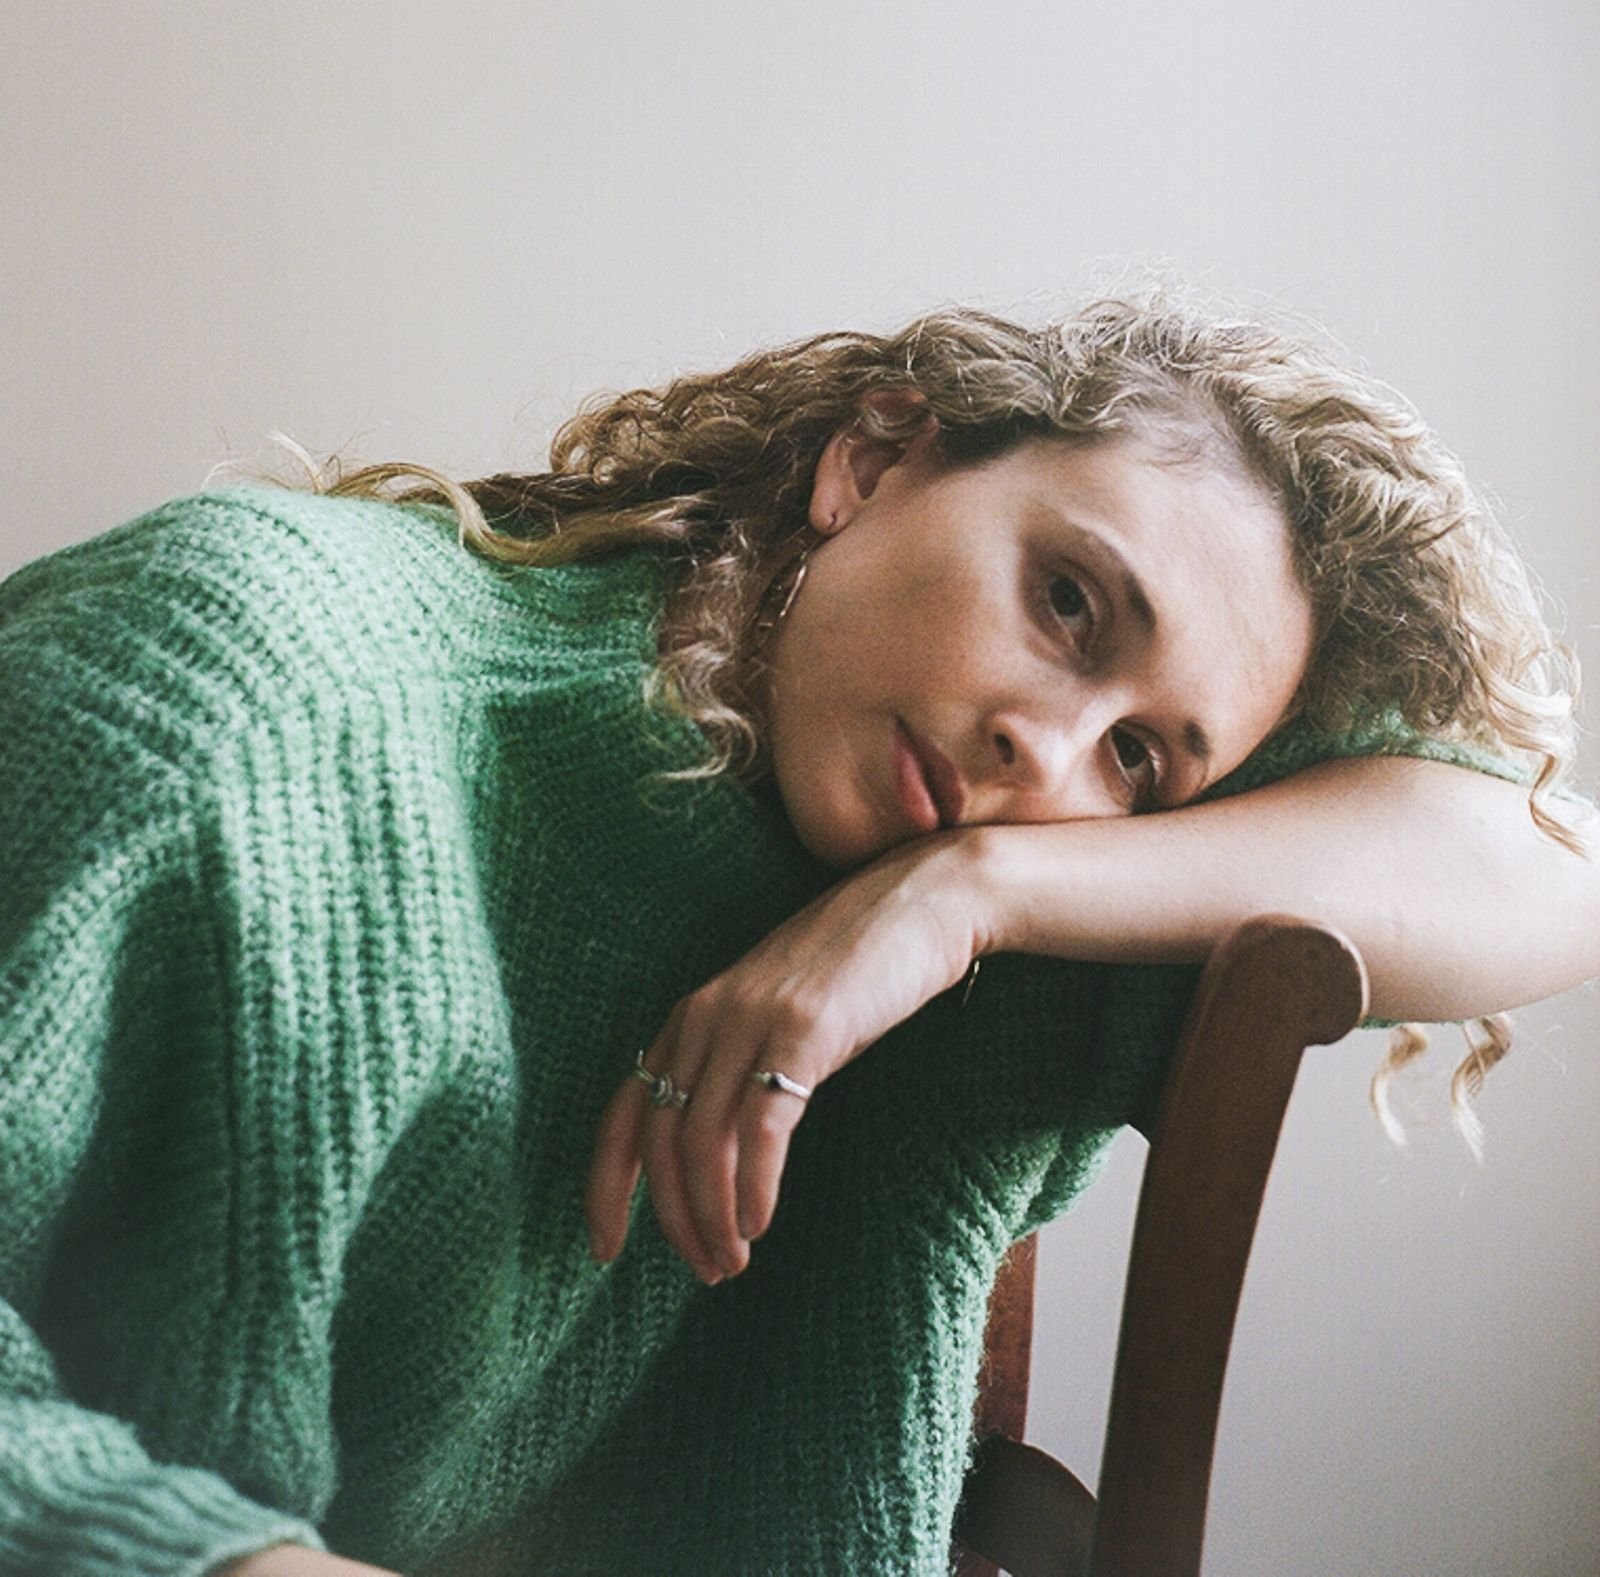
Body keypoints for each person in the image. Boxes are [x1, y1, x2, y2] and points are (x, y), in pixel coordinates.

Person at [1, 296, 1595, 1576]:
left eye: (1139, 760)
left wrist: (963, 897)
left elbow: (1552, 861)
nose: (1043, 758)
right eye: (1066, 602)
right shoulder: (246, 689)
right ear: (872, 460)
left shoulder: (1004, 940)